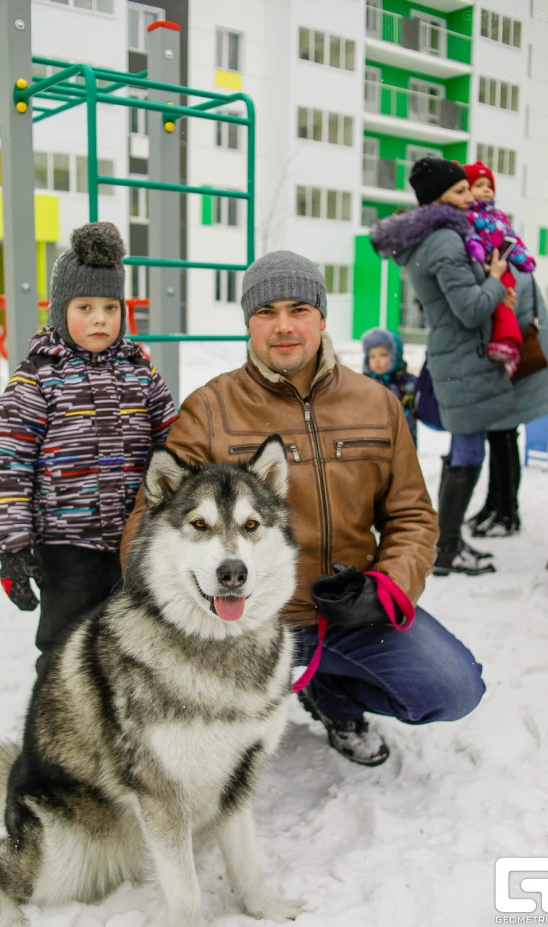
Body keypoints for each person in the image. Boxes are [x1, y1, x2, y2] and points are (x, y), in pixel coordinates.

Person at [120, 251, 486, 767]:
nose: (284, 326)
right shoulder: (211, 408)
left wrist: (385, 590)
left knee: (453, 688)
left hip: (350, 609)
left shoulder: (375, 404)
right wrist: (165, 603)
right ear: (248, 322)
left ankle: (331, 695)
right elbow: (151, 518)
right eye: (266, 312)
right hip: (242, 614)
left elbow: (413, 516)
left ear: (321, 317)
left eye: (298, 309)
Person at [0, 222, 177, 676]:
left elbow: (172, 441)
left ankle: (119, 722)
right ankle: (56, 726)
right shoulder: (37, 378)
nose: (99, 319)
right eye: (84, 306)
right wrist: (13, 548)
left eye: (111, 307)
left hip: (132, 541)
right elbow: (9, 464)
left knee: (131, 639)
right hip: (65, 544)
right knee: (64, 643)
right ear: (59, 311)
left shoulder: (140, 372)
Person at [371, 157, 518, 577]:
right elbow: (470, 310)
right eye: (459, 191)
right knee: (469, 450)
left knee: (463, 449)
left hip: (453, 355)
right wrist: (495, 279)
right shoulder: (446, 242)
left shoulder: (428, 239)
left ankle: (445, 540)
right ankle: (448, 546)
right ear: (438, 198)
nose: (470, 195)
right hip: (464, 356)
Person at [467, 273, 548, 537]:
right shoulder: (512, 267)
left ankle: (507, 513)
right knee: (500, 435)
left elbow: (500, 310)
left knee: (503, 435)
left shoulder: (509, 272)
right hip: (513, 356)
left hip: (517, 359)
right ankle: (495, 505)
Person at [463, 160, 536, 377]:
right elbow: (468, 235)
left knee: (506, 304)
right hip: (484, 268)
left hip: (501, 266)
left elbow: (511, 239)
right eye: (479, 185)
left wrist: (523, 258)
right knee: (495, 305)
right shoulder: (468, 215)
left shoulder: (498, 216)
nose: (486, 189)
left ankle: (507, 345)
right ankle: (505, 344)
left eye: (489, 185)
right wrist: (474, 246)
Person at [361, 327, 417, 445]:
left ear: (396, 355)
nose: (377, 360)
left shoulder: (408, 383)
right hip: (371, 442)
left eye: (383, 355)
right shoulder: (363, 384)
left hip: (403, 442)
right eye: (372, 356)